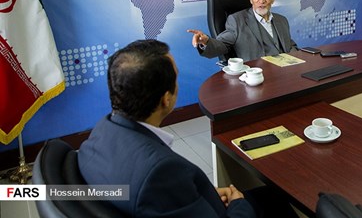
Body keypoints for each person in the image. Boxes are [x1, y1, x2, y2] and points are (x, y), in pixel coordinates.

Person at [78, 39, 298, 217]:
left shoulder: (101, 131)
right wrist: (238, 204)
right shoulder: (160, 172)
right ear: (166, 99)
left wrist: (200, 195)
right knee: (279, 200)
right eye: (176, 78)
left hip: (192, 203)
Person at [188, 0, 297, 62]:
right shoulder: (237, 20)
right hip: (258, 74)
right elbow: (223, 44)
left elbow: (290, 46)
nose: (262, 0)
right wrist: (206, 42)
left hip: (286, 72)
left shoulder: (281, 20)